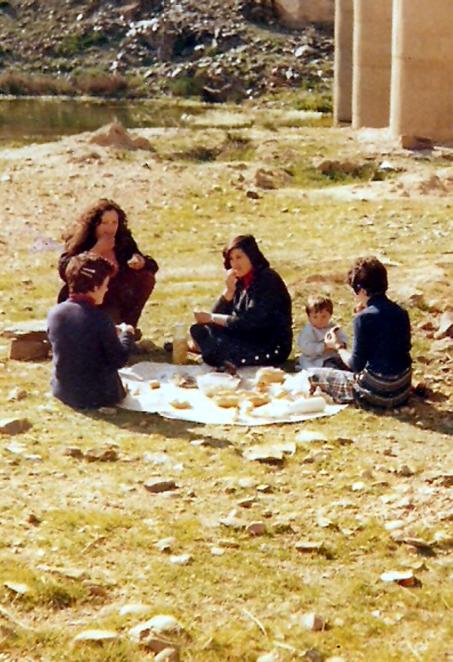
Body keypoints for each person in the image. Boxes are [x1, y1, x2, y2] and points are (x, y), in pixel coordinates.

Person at [307, 256, 412, 408]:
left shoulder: (364, 318)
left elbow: (355, 364)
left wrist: (338, 346)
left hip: (377, 393)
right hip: (402, 389)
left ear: (362, 290)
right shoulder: (401, 312)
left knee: (314, 374)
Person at [190, 234, 292, 369]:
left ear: (251, 256)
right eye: (231, 259)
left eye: (239, 257)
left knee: (213, 349)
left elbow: (249, 322)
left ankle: (215, 355)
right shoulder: (240, 279)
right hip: (247, 337)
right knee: (199, 330)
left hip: (270, 345)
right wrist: (228, 292)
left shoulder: (267, 280)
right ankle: (214, 354)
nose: (235, 264)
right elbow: (215, 319)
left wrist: (212, 318)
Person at [48, 252, 135, 409]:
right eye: (105, 285)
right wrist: (127, 334)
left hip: (63, 391)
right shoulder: (100, 318)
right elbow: (119, 359)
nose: (107, 289)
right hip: (98, 396)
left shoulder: (55, 313)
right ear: (95, 287)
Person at [57, 199, 158, 329]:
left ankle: (128, 327)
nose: (110, 228)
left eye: (114, 223)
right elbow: (66, 270)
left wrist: (141, 262)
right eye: (104, 223)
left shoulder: (122, 241)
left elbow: (152, 266)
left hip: (115, 299)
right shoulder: (82, 241)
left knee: (145, 278)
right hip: (85, 304)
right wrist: (96, 250)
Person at [296, 295, 348, 370]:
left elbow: (343, 338)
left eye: (324, 316)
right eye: (315, 317)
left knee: (348, 365)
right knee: (332, 368)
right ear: (309, 317)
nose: (319, 320)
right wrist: (324, 346)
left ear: (330, 315)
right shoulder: (309, 330)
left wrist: (341, 344)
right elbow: (306, 347)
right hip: (316, 360)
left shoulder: (333, 328)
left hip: (334, 356)